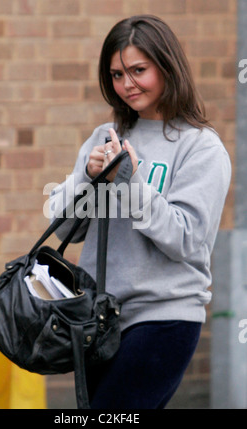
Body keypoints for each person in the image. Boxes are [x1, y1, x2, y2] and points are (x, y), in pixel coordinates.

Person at [49, 15, 231, 409]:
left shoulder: (202, 148)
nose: (126, 84)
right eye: (116, 74)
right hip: (99, 320)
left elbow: (188, 240)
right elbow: (64, 228)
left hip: (164, 318)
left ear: (167, 67)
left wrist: (132, 183)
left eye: (138, 70)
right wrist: (87, 175)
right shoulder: (105, 137)